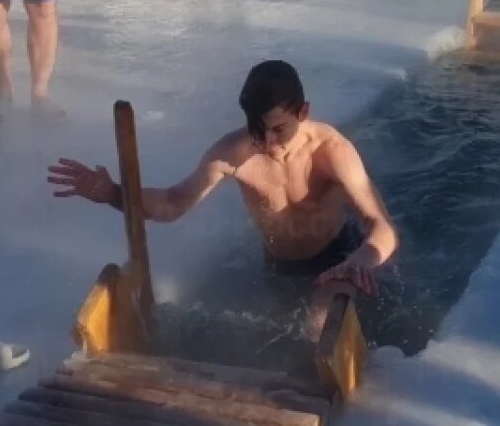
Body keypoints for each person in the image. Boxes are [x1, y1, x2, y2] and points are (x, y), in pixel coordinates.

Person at [48, 60, 398, 336]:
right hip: (281, 267)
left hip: (340, 256)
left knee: (317, 326)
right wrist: (112, 193)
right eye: (258, 131)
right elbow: (173, 203)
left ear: (303, 112)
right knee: (274, 340)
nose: (270, 143)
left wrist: (360, 261)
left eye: (280, 130)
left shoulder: (332, 150)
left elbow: (381, 226)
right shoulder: (232, 153)